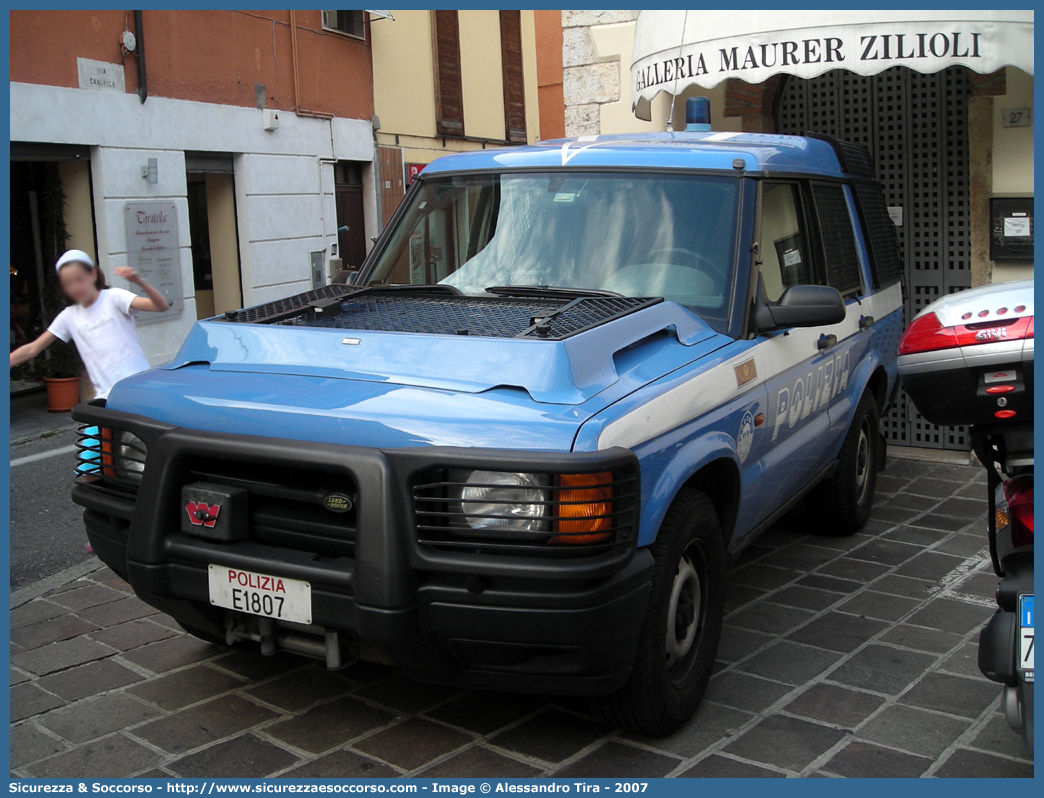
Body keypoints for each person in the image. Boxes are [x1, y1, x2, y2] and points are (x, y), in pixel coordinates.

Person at [9, 249, 170, 401]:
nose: (75, 287)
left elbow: (160, 306)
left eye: (79, 279)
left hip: (139, 387)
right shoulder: (68, 316)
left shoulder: (113, 297)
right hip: (107, 398)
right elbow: (32, 349)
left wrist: (140, 282)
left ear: (92, 274)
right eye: (68, 283)